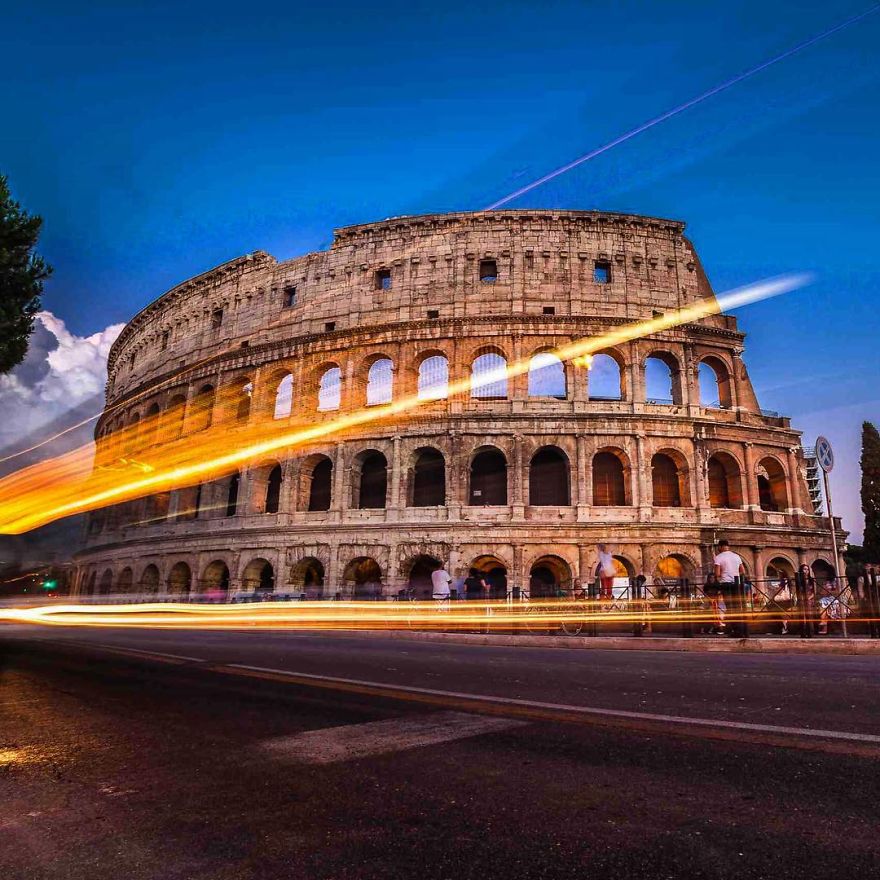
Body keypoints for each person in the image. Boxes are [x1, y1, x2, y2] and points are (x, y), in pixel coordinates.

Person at [713, 539, 745, 637]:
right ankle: (741, 630)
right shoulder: (736, 556)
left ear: (721, 546)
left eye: (718, 547)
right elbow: (743, 571)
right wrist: (734, 574)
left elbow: (717, 574)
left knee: (729, 607)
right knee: (738, 606)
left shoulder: (718, 557)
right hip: (737, 583)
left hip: (726, 584)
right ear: (728, 546)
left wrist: (723, 576)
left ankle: (734, 630)